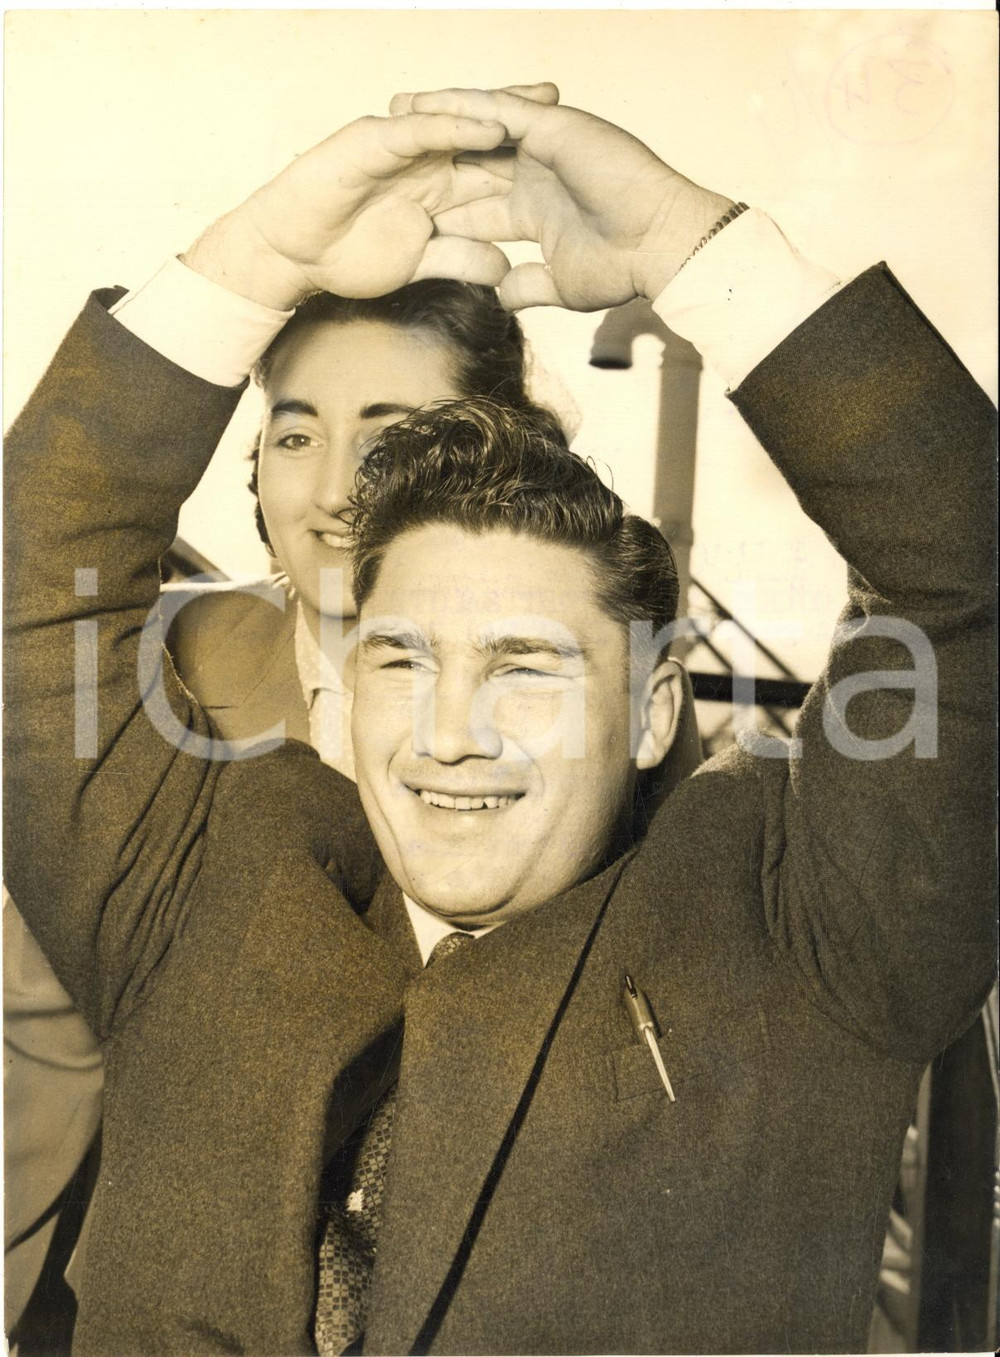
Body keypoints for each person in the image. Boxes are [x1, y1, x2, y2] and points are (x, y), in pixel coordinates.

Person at [3, 86, 994, 1357]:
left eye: (524, 665)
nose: (449, 733)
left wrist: (687, 250)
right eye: (402, 659)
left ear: (652, 709)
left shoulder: (803, 939)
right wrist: (257, 257)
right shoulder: (196, 886)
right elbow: (33, 577)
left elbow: (968, 576)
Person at [3, 264, 593, 1340]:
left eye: (388, 434)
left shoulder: (598, 700)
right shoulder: (161, 660)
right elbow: (47, 1025)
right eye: (294, 433)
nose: (329, 492)